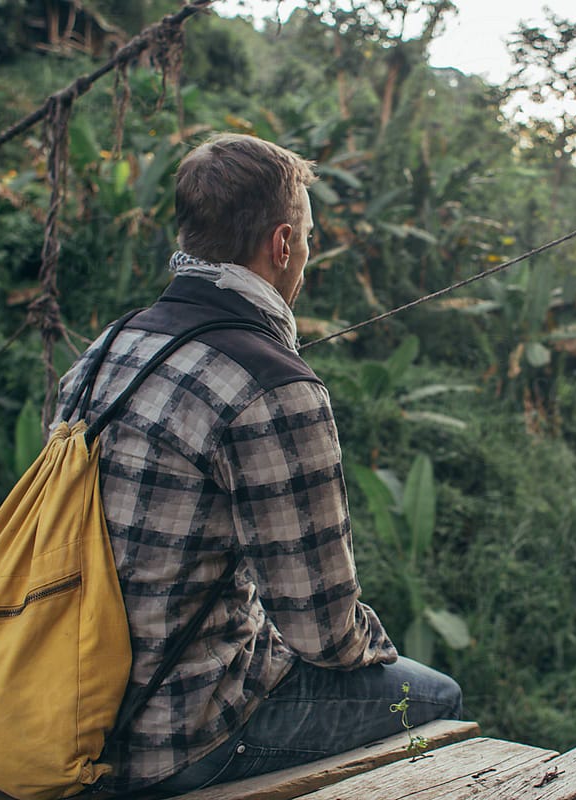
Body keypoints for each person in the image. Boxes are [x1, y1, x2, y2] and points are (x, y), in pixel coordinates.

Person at [51, 133, 462, 796]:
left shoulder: (107, 348)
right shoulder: (274, 387)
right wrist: (375, 649)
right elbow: (324, 632)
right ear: (280, 246)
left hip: (66, 708)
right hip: (178, 737)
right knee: (434, 695)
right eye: (307, 237)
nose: (305, 253)